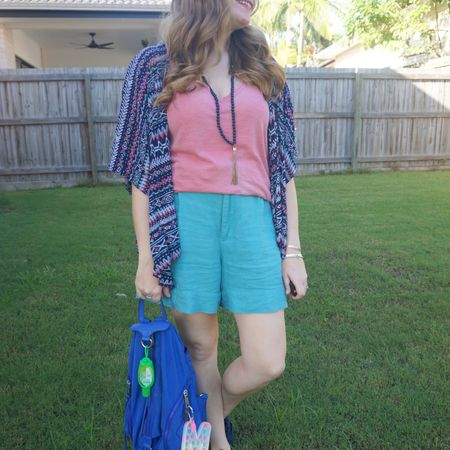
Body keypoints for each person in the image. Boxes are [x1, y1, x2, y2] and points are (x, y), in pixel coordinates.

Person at [109, 1, 308, 449]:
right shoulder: (154, 64)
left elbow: (283, 169)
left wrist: (292, 250)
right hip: (185, 223)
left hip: (253, 221)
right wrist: (146, 258)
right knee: (201, 351)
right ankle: (216, 442)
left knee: (266, 360)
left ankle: (198, 417)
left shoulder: (262, 65)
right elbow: (143, 171)